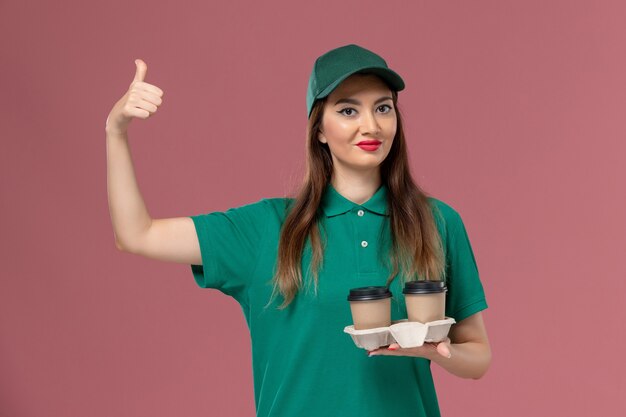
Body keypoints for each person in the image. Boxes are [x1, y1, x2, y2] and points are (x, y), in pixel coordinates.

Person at [106, 43, 492, 417]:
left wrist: (437, 352)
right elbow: (136, 234)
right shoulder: (266, 228)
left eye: (383, 108)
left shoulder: (438, 222)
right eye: (347, 110)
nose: (370, 125)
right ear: (319, 129)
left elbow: (477, 356)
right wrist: (116, 132)